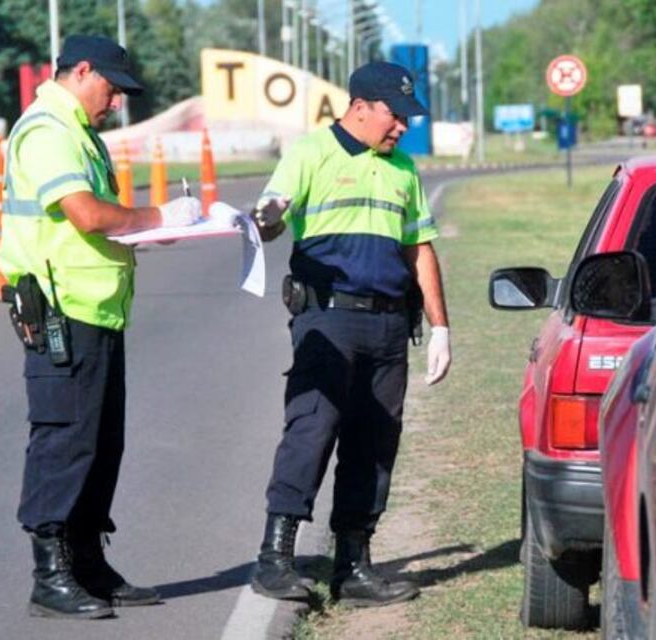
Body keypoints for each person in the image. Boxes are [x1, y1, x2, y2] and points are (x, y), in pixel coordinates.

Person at [0, 34, 203, 619]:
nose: (115, 102)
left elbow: (102, 222)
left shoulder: (80, 133)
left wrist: (151, 230)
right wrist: (160, 215)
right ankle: (50, 574)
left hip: (96, 309)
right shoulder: (47, 131)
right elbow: (86, 214)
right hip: (62, 310)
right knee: (63, 441)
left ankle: (87, 562)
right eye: (110, 88)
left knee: (99, 443)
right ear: (81, 71)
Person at [248, 61, 451, 608]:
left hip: (389, 324)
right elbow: (271, 215)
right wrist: (266, 216)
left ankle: (353, 567)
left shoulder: (404, 170)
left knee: (374, 444)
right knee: (312, 428)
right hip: (328, 318)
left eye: (407, 118)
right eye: (394, 116)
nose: (402, 128)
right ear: (360, 107)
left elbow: (420, 248)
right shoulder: (311, 153)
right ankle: (274, 559)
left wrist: (441, 327)